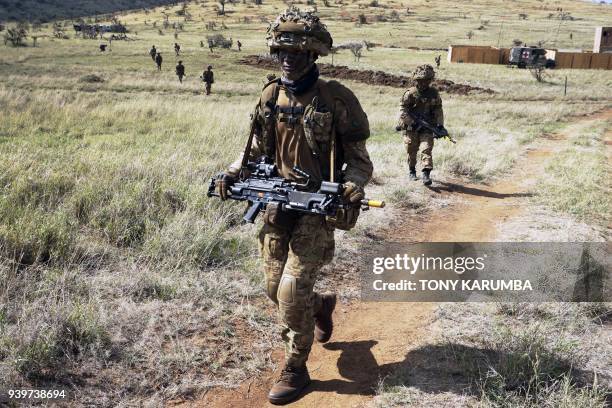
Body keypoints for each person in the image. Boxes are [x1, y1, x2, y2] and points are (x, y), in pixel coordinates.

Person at [215, 8, 373, 405]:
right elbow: (253, 148)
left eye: (297, 54)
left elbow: (359, 159)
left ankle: (295, 366)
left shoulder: (337, 98)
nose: (288, 60)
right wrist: (233, 173)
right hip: (274, 203)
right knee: (274, 288)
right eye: (282, 52)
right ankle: (321, 306)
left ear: (313, 55)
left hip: (316, 210)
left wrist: (351, 186)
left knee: (290, 290)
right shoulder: (270, 93)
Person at [397, 64, 443, 185]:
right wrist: (411, 122)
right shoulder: (410, 93)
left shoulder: (434, 93)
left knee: (426, 149)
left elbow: (438, 109)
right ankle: (412, 171)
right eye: (421, 80)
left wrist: (440, 125)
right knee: (411, 151)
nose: (424, 83)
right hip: (411, 128)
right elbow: (403, 110)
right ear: (416, 80)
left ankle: (426, 174)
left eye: (427, 80)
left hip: (427, 127)